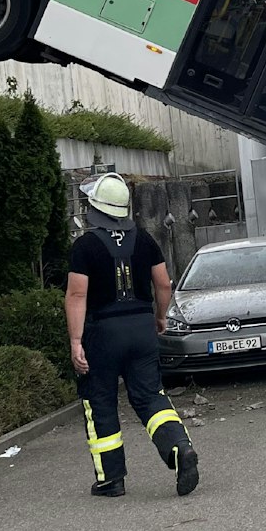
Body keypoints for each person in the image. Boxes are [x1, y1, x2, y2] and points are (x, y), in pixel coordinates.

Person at [65, 173, 199, 498]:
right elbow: (164, 284)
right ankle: (179, 447)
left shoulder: (84, 246)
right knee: (150, 395)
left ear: (94, 208)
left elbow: (77, 295)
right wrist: (160, 317)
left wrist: (75, 341)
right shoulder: (145, 240)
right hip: (141, 328)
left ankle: (111, 480)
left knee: (100, 400)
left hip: (102, 333)